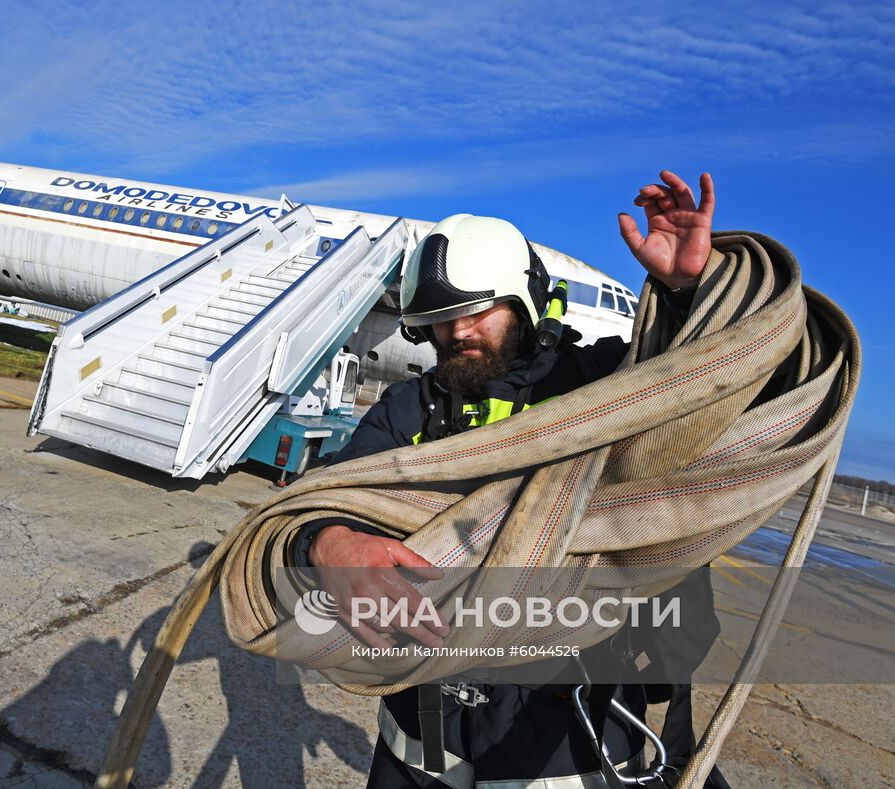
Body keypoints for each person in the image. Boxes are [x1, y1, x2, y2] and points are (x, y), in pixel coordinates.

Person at [296, 171, 729, 788]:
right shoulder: (408, 410)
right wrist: (328, 541)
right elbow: (321, 498)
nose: (458, 331)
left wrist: (688, 292)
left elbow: (707, 385)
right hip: (423, 736)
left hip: (562, 734)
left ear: (523, 304)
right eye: (442, 317)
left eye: (476, 309)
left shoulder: (602, 386)